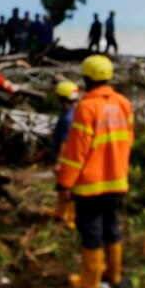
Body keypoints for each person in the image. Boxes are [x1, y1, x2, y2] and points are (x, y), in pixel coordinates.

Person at [55, 55, 133, 288]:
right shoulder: (123, 103)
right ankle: (115, 276)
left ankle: (90, 282)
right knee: (112, 227)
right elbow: (128, 141)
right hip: (117, 180)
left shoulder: (86, 107)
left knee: (90, 230)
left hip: (90, 184)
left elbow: (76, 152)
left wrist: (65, 183)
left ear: (86, 78)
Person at [47, 79, 81, 228]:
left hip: (67, 159)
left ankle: (72, 218)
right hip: (71, 158)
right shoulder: (73, 113)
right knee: (62, 186)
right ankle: (60, 212)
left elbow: (65, 141)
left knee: (68, 188)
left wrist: (58, 162)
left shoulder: (68, 118)